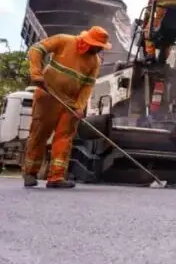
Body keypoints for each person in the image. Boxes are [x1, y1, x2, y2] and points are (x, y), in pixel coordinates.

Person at [22, 26, 111, 189]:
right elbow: (36, 49)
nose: (99, 50)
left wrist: (79, 107)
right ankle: (30, 173)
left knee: (64, 139)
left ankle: (56, 177)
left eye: (101, 47)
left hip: (70, 103)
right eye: (97, 46)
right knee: (39, 135)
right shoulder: (64, 40)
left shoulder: (95, 61)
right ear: (88, 42)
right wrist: (36, 73)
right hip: (47, 96)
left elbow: (88, 86)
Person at [142, 0, 176, 64]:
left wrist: (144, 24)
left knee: (147, 31)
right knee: (169, 41)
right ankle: (163, 59)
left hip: (162, 23)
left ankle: (150, 55)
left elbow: (148, 14)